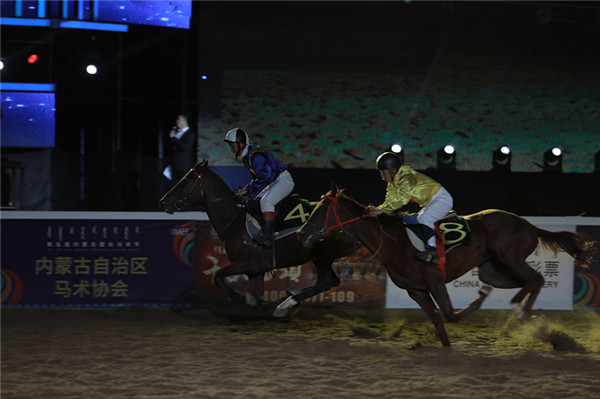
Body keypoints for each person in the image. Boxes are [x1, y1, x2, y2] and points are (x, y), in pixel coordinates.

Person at [370, 152, 453, 264]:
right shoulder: (393, 183)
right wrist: (379, 209)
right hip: (431, 202)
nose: (381, 175)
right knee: (419, 219)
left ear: (393, 170)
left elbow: (403, 198)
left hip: (442, 200)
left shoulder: (407, 178)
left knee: (424, 219)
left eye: (383, 171)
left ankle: (432, 250)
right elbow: (390, 200)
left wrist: (382, 210)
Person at [223, 127, 295, 247]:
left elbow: (266, 176)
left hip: (283, 181)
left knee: (266, 202)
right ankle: (264, 229)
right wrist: (247, 189)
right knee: (254, 203)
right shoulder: (247, 157)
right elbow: (259, 178)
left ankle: (268, 236)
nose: (231, 147)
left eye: (232, 144)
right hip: (274, 182)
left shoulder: (255, 156)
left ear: (241, 143)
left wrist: (248, 189)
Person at [168, 114, 197, 181]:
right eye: (177, 119)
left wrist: (174, 138)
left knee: (185, 187)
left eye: (179, 119)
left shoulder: (190, 134)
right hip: (174, 166)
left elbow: (185, 147)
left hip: (184, 167)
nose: (177, 121)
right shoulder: (176, 133)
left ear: (185, 121)